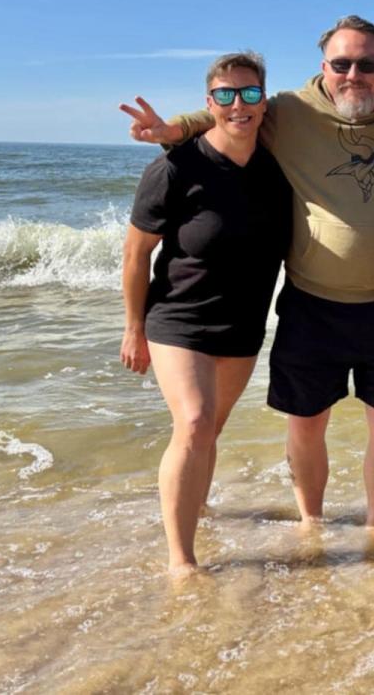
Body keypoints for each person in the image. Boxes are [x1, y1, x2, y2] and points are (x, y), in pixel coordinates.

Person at [120, 17, 374, 535]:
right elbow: (229, 111)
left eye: (366, 64)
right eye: (341, 63)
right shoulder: (289, 110)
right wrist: (174, 129)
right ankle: (311, 526)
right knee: (300, 423)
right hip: (310, 303)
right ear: (324, 68)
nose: (353, 74)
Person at [121, 51, 290, 575]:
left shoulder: (277, 168)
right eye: (225, 94)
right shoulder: (175, 167)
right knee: (193, 422)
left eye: (250, 93)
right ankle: (182, 561)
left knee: (209, 430)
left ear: (265, 101)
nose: (238, 104)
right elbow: (135, 254)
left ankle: (196, 507)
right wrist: (133, 327)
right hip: (178, 318)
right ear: (209, 102)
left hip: (242, 323)